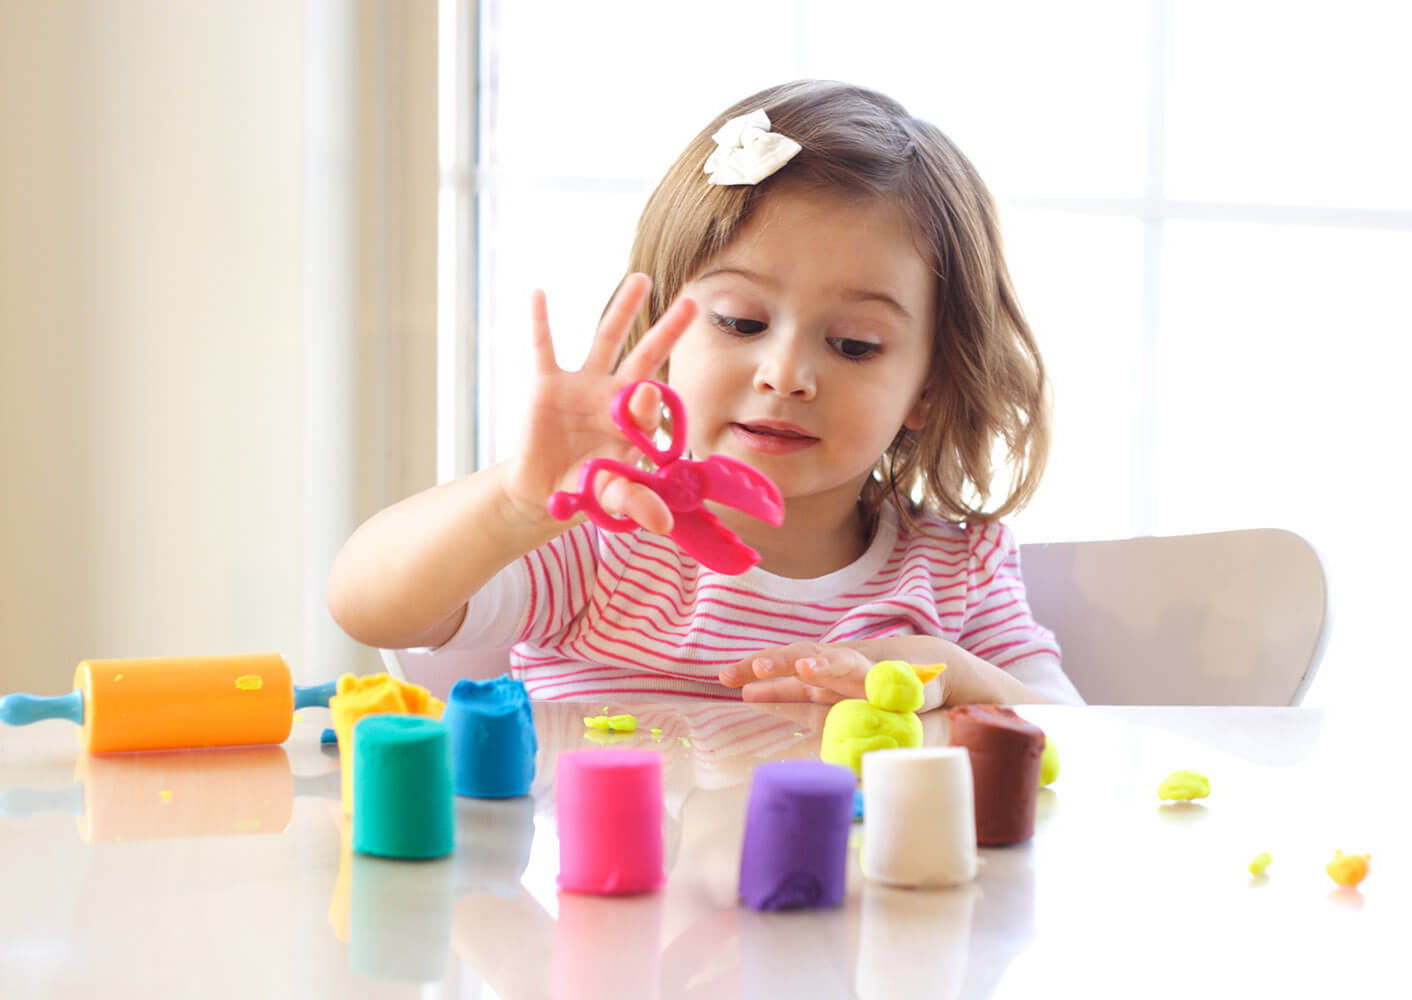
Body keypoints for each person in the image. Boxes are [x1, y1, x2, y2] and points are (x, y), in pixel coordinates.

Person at [328, 79, 1083, 707]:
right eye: (741, 321)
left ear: (929, 384)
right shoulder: (607, 540)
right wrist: (513, 507)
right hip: (611, 887)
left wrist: (939, 671)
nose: (786, 374)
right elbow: (370, 605)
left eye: (854, 344)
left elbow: (1080, 742)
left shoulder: (952, 573)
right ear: (664, 336)